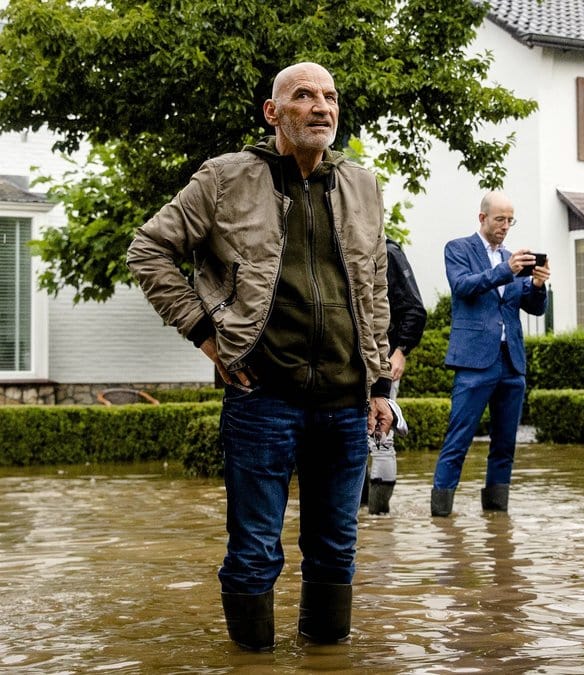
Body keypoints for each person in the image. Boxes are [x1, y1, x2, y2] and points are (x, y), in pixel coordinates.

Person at [126, 62, 394, 651]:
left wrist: (379, 387)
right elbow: (148, 250)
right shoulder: (225, 179)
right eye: (304, 96)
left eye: (330, 96)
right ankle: (254, 663)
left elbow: (373, 289)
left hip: (345, 403)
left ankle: (325, 659)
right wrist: (204, 334)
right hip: (261, 397)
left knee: (335, 546)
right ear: (273, 113)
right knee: (252, 550)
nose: (321, 107)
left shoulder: (364, 186)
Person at [430, 191, 549, 517]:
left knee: (505, 444)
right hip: (473, 362)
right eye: (500, 219)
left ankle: (497, 517)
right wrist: (506, 270)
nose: (506, 226)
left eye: (510, 220)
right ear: (482, 218)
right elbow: (463, 286)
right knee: (458, 441)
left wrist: (538, 286)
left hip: (511, 361)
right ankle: (441, 518)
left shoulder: (513, 258)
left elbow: (534, 309)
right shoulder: (458, 249)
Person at [362, 237, 427, 515]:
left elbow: (415, 309)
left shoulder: (389, 252)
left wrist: (400, 351)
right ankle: (359, 510)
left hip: (383, 362)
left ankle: (379, 514)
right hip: (344, 363)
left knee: (381, 437)